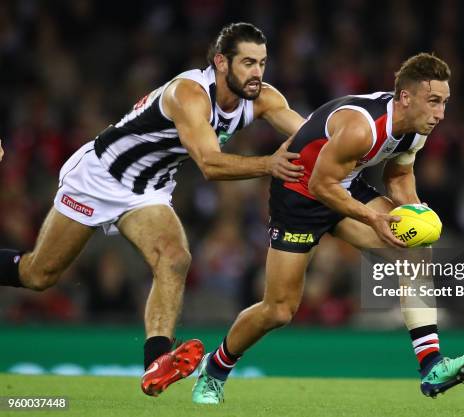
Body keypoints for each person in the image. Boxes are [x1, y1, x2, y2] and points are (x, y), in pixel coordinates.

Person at [0, 22, 305, 396]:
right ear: (221, 62)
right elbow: (209, 164)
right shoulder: (189, 93)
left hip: (148, 190)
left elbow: (311, 133)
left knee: (175, 257)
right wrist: (268, 164)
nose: (257, 73)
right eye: (248, 63)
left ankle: (155, 365)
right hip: (99, 177)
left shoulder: (263, 98)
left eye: (262, 63)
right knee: (38, 274)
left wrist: (358, 142)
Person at [192, 53, 464, 404]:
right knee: (279, 309)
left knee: (415, 251)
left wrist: (415, 213)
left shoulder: (416, 129)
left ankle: (431, 365)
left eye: (445, 102)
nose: (441, 114)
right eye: (434, 102)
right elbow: (319, 185)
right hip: (299, 193)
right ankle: (215, 369)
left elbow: (399, 176)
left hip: (343, 184)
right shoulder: (362, 128)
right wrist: (373, 217)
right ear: (406, 98)